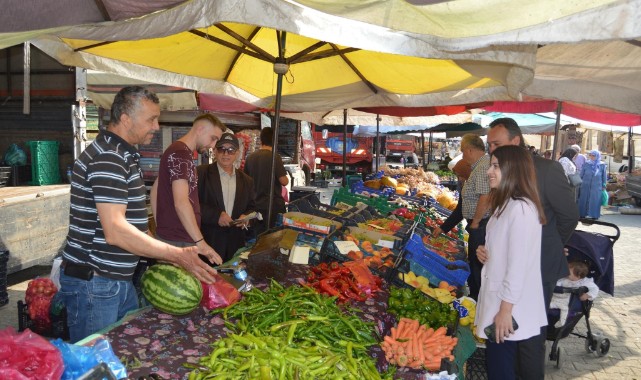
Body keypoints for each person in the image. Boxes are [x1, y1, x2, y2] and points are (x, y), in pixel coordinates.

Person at [58, 86, 218, 343]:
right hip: (96, 284)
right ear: (125, 119)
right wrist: (176, 253)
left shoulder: (122, 154)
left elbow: (133, 219)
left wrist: (159, 244)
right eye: (151, 119)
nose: (156, 126)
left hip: (114, 282)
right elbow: (115, 230)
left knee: (125, 352)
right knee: (98, 364)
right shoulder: (109, 157)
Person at [483, 117, 579, 379]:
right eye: (489, 144)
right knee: (510, 335)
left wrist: (546, 245)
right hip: (510, 268)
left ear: (516, 142)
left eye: (497, 143)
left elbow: (570, 215)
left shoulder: (547, 170)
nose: (492, 149)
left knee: (529, 336)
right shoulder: (500, 176)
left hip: (541, 265)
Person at [475, 145, 548, 380]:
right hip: (500, 301)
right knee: (497, 364)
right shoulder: (505, 204)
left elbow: (518, 266)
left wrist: (505, 311)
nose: (489, 171)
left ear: (513, 170)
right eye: (491, 166)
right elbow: (505, 250)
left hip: (508, 307)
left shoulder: (522, 209)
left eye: (496, 166)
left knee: (501, 369)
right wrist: (484, 252)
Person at [151, 113, 225, 266]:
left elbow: (155, 189)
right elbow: (181, 203)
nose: (212, 146)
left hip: (173, 237)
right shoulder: (181, 154)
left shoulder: (176, 151)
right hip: (178, 241)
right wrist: (201, 242)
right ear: (200, 129)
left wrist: (162, 226)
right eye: (213, 138)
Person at [432, 133, 490, 301]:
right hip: (477, 225)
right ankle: (474, 297)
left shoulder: (481, 168)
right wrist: (443, 227)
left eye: (463, 151)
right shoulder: (477, 168)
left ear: (470, 150)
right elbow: (462, 207)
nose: (463, 155)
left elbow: (484, 197)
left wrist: (476, 223)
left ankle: (477, 300)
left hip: (480, 226)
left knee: (478, 265)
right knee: (475, 264)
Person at [197, 132, 256, 263]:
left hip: (235, 245)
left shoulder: (247, 181)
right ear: (215, 151)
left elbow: (252, 208)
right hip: (208, 243)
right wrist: (216, 215)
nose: (226, 154)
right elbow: (190, 204)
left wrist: (246, 218)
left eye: (231, 150)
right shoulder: (201, 174)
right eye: (221, 149)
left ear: (237, 153)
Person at [244, 127, 289, 236]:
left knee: (257, 238)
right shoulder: (275, 157)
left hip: (255, 206)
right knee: (274, 237)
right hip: (273, 206)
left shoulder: (250, 158)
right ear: (274, 140)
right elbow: (284, 181)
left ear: (261, 139)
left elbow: (245, 181)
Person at [549, 260, 599, 328]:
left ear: (578, 276)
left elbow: (595, 289)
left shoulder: (585, 282)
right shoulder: (565, 279)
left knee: (563, 308)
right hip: (558, 297)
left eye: (569, 273)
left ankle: (561, 322)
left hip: (569, 302)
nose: (566, 273)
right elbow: (557, 283)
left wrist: (587, 295)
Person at [577, 149, 607, 219]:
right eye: (590, 155)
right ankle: (582, 214)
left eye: (593, 155)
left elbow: (604, 176)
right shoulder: (587, 164)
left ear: (597, 156)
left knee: (595, 200)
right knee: (583, 199)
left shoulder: (602, 165)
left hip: (597, 186)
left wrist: (604, 185)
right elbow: (581, 174)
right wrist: (579, 182)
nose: (591, 157)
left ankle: (594, 215)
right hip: (585, 184)